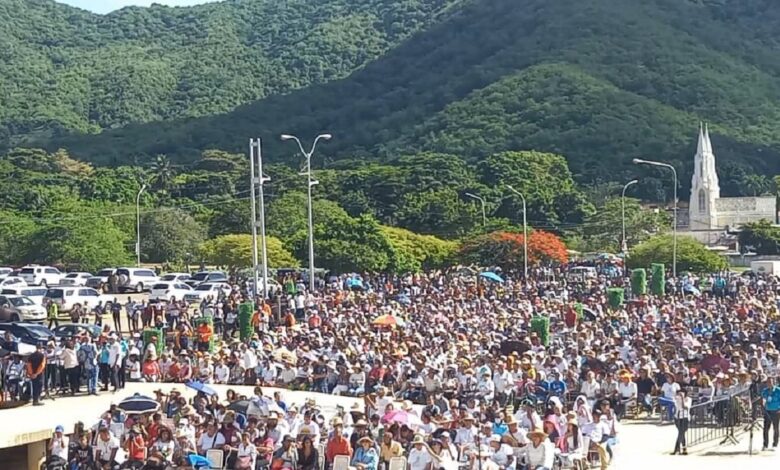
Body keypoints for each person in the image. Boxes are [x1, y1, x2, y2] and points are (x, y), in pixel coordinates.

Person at [761, 376, 780, 451]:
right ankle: (765, 444)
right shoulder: (765, 391)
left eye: (770, 382)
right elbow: (763, 399)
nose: (769, 383)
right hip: (767, 411)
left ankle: (775, 444)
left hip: (776, 411)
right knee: (765, 429)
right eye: (768, 382)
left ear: (774, 382)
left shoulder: (778, 390)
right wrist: (763, 403)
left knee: (776, 428)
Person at [672, 388, 692, 455]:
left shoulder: (689, 399)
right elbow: (674, 401)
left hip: (685, 417)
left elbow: (685, 407)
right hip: (677, 417)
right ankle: (684, 448)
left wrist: (683, 398)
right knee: (681, 433)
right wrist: (677, 397)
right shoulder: (676, 398)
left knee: (681, 433)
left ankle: (676, 448)